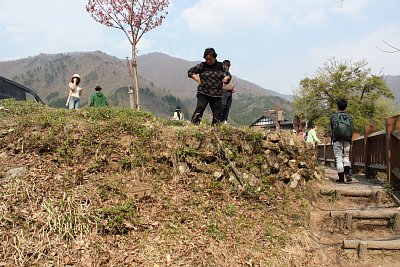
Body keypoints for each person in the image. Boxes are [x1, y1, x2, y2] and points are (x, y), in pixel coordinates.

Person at [188, 48, 231, 125]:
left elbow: (228, 75)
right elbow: (190, 72)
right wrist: (197, 79)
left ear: (214, 57)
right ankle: (194, 125)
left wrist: (226, 78)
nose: (208, 61)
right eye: (206, 59)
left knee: (217, 114)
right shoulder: (202, 65)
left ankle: (215, 129)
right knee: (200, 108)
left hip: (216, 94)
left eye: (210, 59)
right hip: (203, 92)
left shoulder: (221, 66)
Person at [330, 98, 354, 183]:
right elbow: (352, 129)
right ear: (346, 107)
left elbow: (332, 128)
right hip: (347, 139)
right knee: (346, 156)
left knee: (338, 158)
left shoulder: (333, 116)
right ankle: (347, 172)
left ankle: (341, 178)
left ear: (338, 106)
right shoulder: (350, 117)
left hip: (337, 140)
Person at [221, 60, 236, 124]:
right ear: (223, 65)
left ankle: (225, 120)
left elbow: (230, 81)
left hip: (229, 92)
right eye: (227, 66)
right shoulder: (221, 72)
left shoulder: (228, 73)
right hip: (223, 92)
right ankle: (219, 120)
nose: (228, 67)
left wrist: (233, 88)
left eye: (229, 66)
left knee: (227, 107)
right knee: (223, 106)